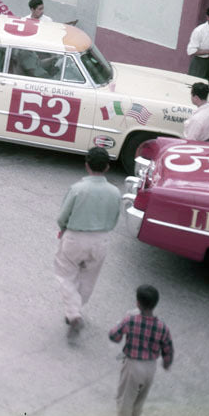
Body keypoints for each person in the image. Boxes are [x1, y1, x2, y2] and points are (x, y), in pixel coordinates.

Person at [54, 146, 121, 341]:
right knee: (89, 278)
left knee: (65, 274)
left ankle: (73, 313)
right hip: (101, 239)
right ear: (107, 167)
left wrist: (64, 228)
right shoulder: (115, 192)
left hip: (75, 237)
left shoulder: (77, 189)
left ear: (86, 166)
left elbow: (62, 217)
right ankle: (76, 310)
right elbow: (115, 219)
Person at [108, 284, 174, 416]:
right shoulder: (162, 326)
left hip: (133, 366)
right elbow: (168, 349)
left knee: (125, 400)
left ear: (138, 303)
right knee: (139, 400)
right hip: (150, 367)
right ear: (155, 304)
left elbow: (114, 336)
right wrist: (167, 363)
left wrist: (121, 322)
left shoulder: (130, 320)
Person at [186, 5, 209, 85]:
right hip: (199, 64)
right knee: (195, 88)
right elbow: (191, 51)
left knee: (207, 87)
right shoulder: (199, 31)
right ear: (208, 17)